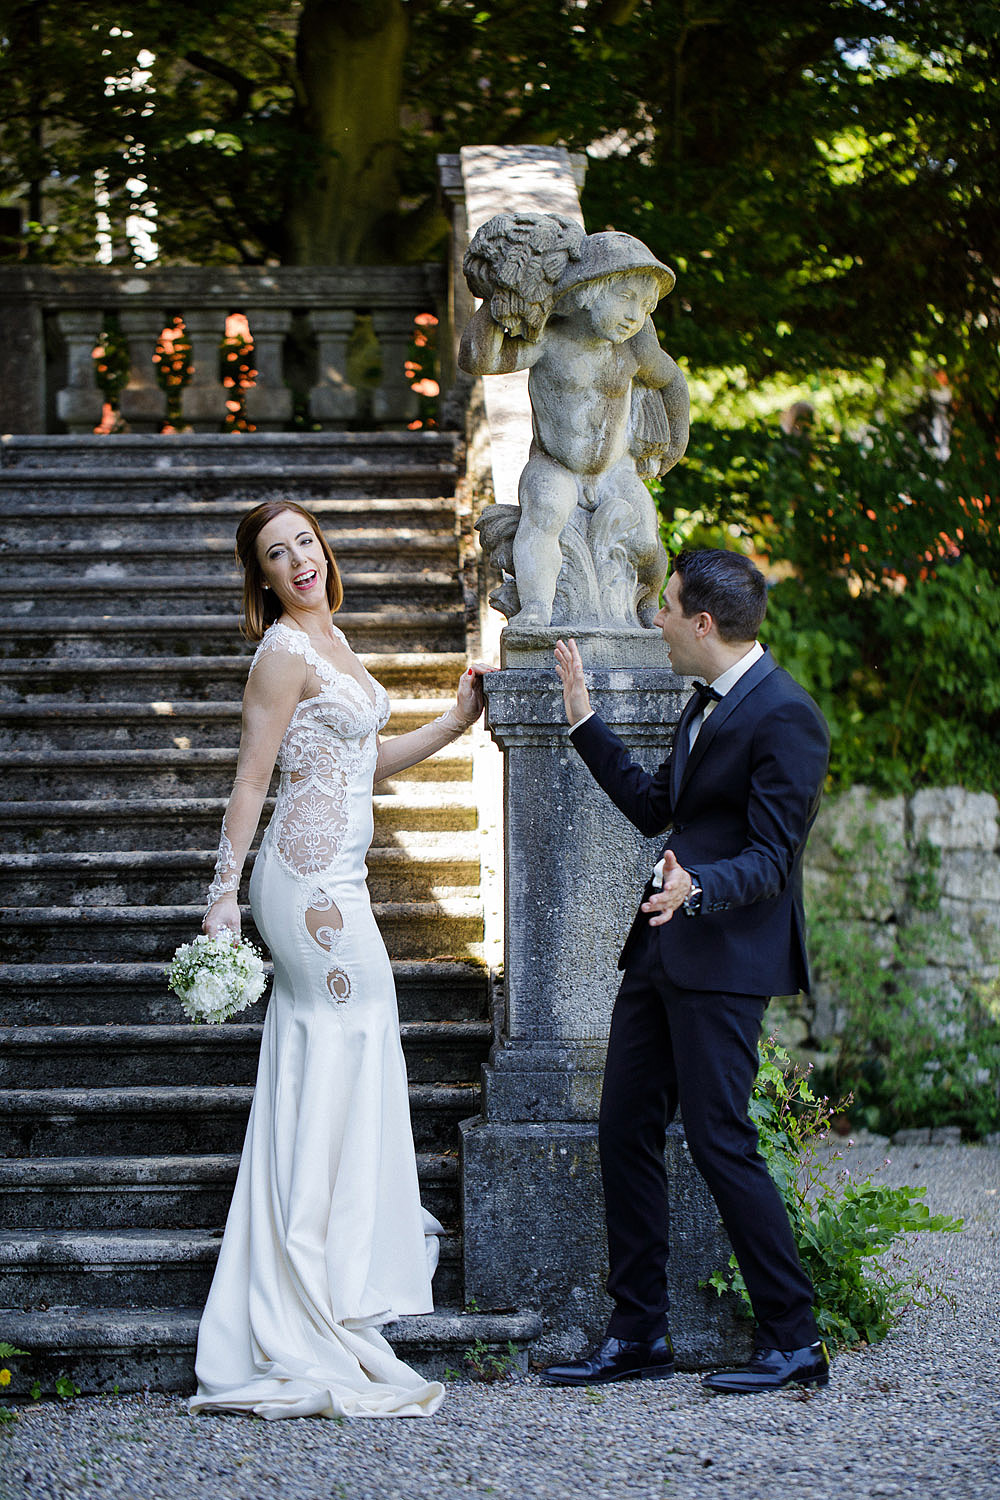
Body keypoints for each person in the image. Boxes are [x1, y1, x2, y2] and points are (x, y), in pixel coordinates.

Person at [189, 498, 490, 1419]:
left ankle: (329, 1281)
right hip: (305, 885)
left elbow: (362, 760)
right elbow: (251, 777)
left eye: (305, 543)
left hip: (342, 880)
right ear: (265, 577)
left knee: (353, 1055)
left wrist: (453, 722)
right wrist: (222, 894)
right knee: (338, 1054)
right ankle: (306, 1294)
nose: (298, 561)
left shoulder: (335, 640)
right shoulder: (282, 653)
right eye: (278, 555)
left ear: (324, 550)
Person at [546, 547, 831, 1395]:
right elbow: (655, 808)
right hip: (660, 951)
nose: (656, 620)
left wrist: (699, 887)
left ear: (703, 623)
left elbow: (772, 860)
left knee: (719, 1139)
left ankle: (795, 1339)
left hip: (725, 959)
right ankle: (638, 1335)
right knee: (623, 1130)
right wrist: (580, 718)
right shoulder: (701, 701)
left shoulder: (787, 715)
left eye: (666, 607)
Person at [459, 229, 689, 628]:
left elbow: (671, 381)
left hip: (615, 469)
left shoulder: (634, 347)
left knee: (648, 544)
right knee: (543, 514)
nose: (636, 314)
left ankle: (650, 603)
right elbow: (479, 359)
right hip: (556, 464)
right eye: (625, 297)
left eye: (646, 305)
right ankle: (537, 607)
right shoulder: (550, 339)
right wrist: (497, 296)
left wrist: (676, 441)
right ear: (588, 291)